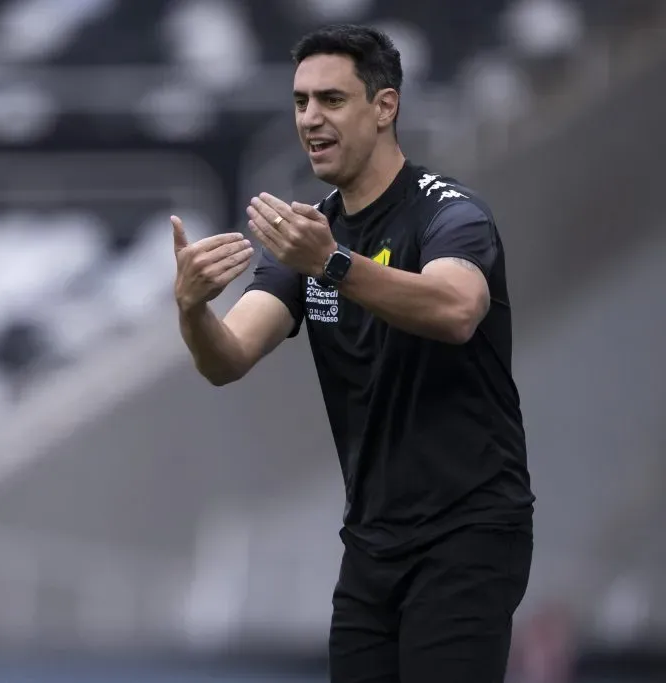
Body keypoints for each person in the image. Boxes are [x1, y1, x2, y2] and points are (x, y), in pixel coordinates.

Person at [172, 24, 535, 683]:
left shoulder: (447, 214)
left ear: (385, 107)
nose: (310, 118)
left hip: (467, 533)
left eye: (332, 100)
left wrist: (333, 265)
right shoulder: (314, 235)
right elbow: (226, 358)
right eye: (301, 101)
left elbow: (455, 309)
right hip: (371, 544)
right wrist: (193, 308)